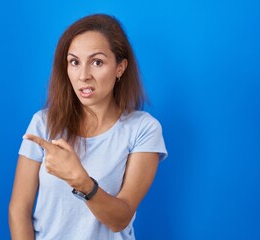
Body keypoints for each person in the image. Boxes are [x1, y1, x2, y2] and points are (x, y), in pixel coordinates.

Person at [9, 14, 167, 240]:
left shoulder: (143, 129)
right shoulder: (43, 123)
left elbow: (120, 219)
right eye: (74, 62)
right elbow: (19, 210)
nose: (83, 76)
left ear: (120, 68)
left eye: (97, 62)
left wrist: (81, 181)